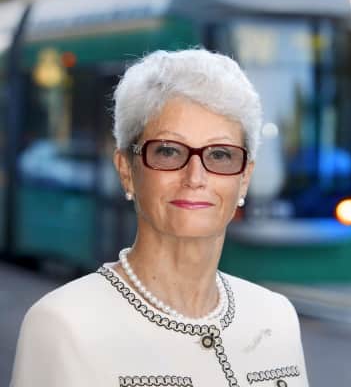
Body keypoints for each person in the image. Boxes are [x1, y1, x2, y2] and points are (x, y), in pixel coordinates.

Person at [11, 49, 309, 387]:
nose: (195, 177)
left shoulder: (278, 319)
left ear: (244, 178)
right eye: (168, 151)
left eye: (220, 155)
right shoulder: (62, 325)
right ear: (127, 169)